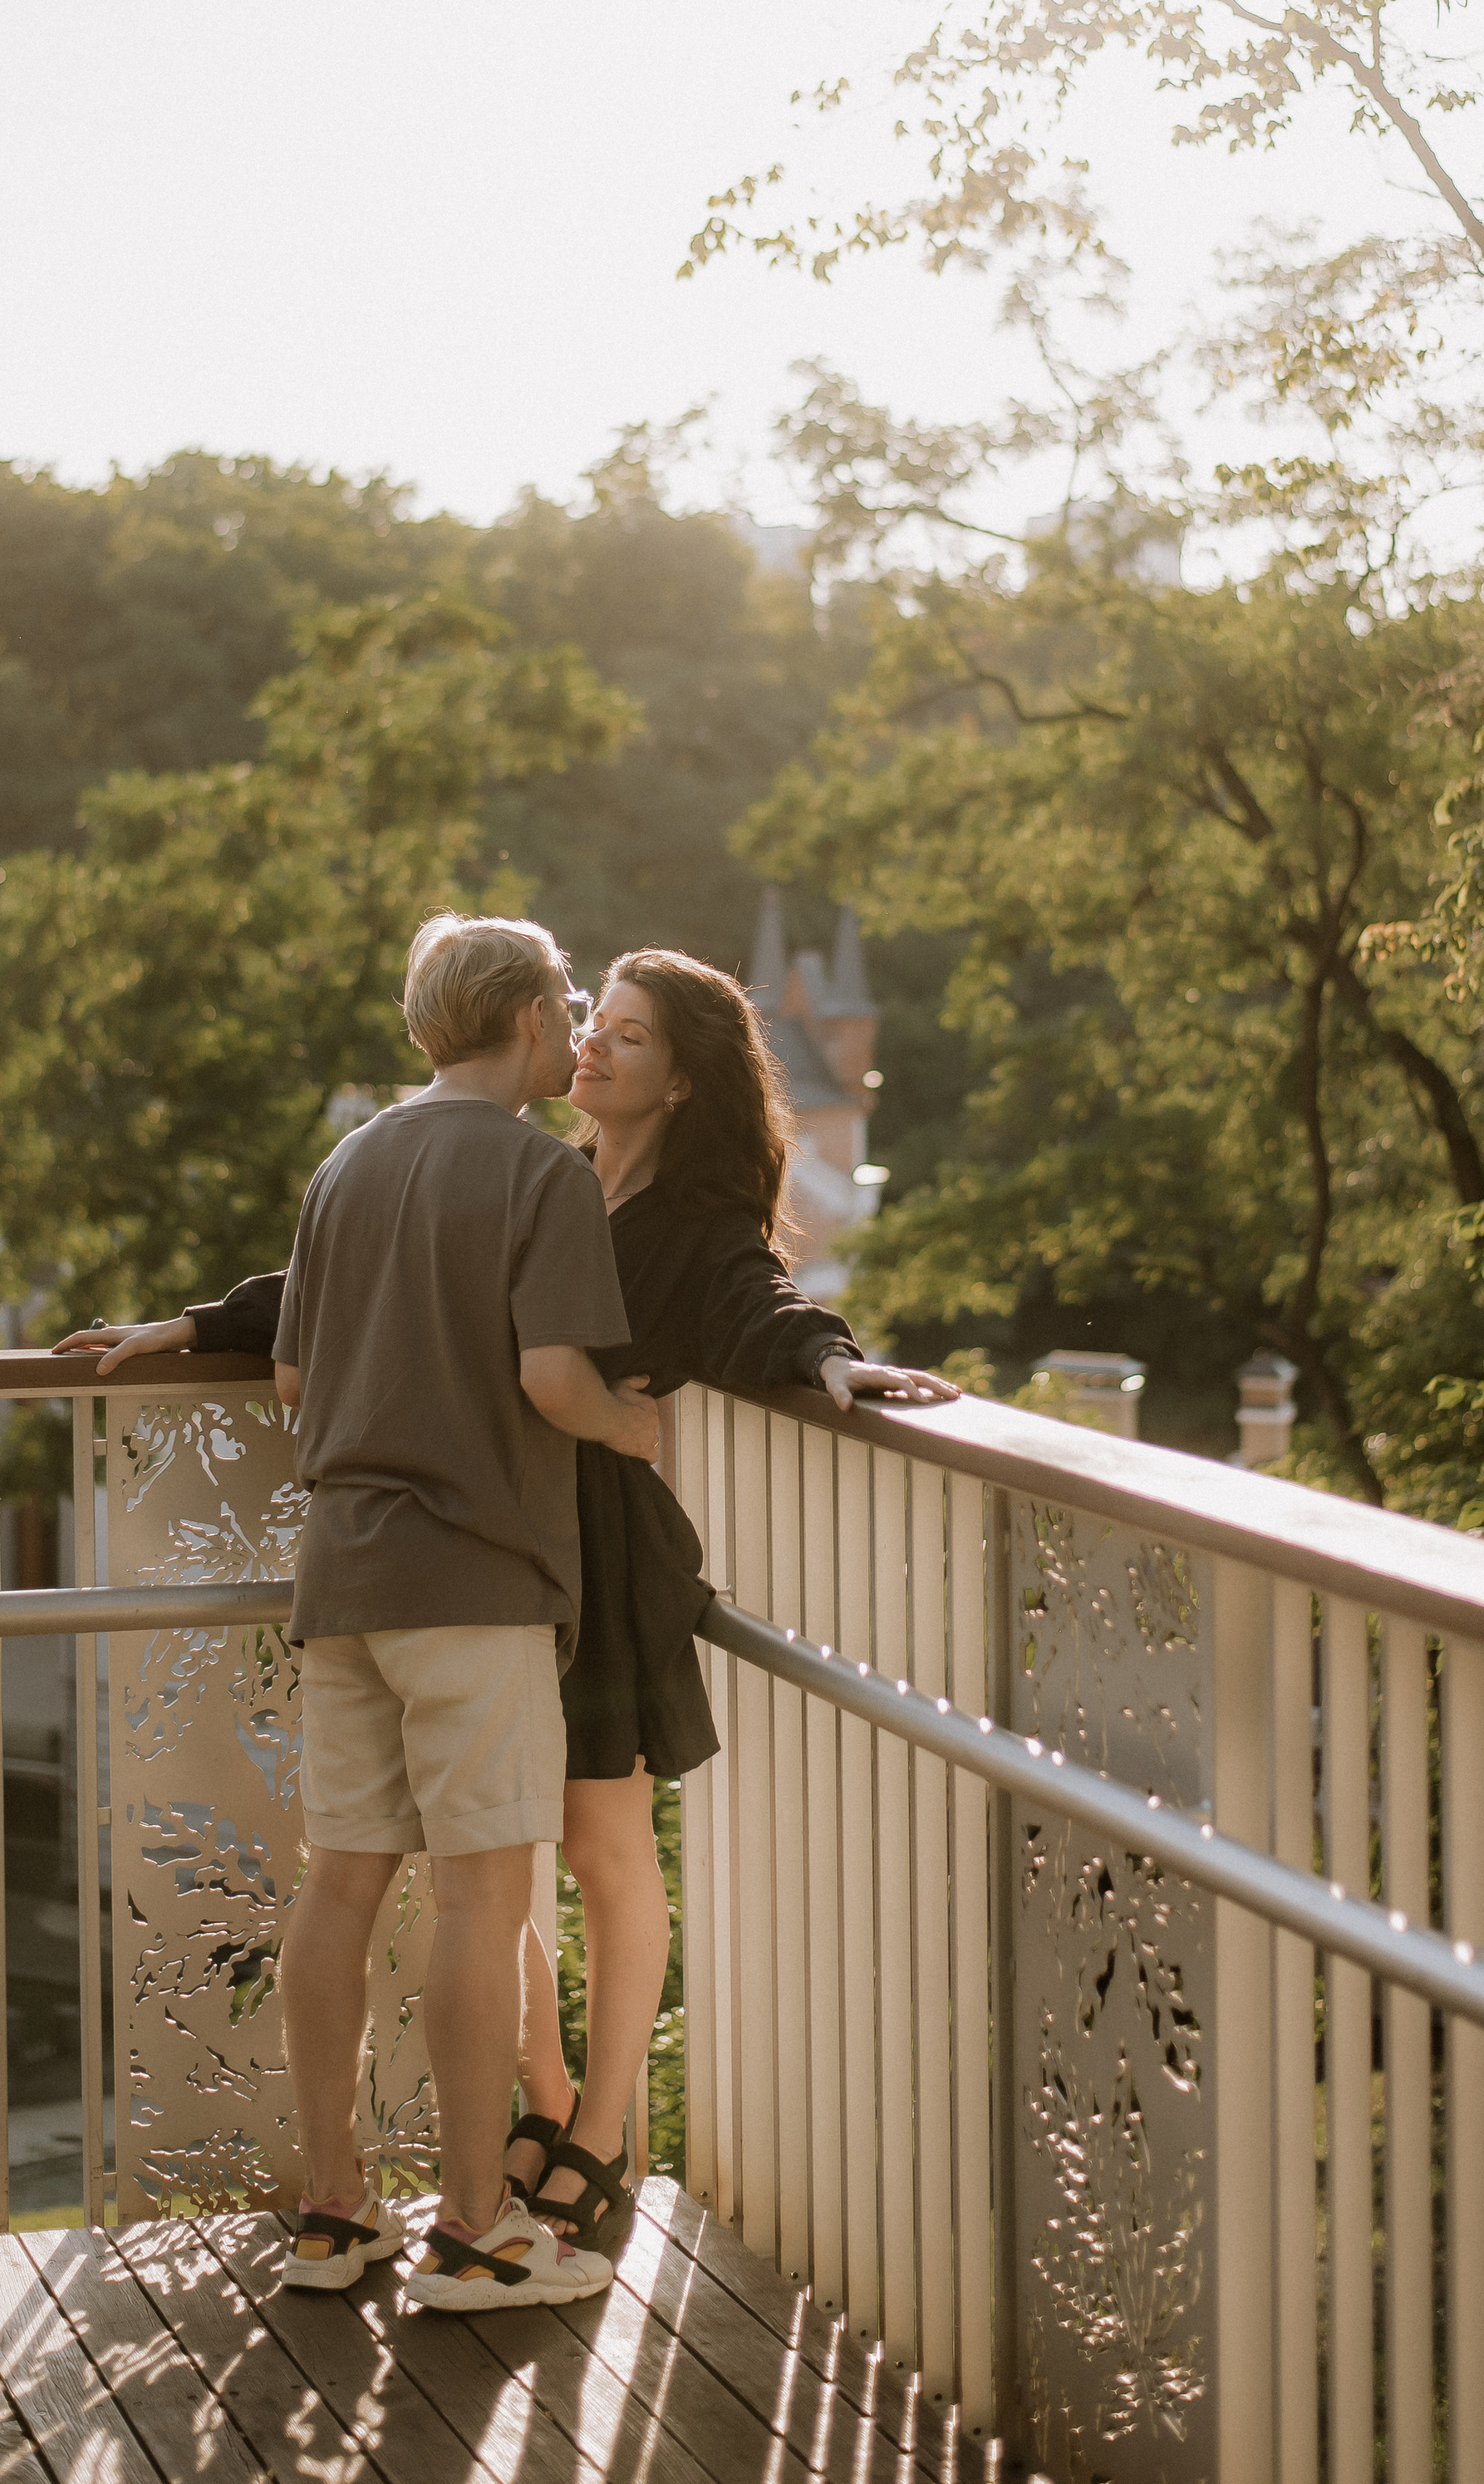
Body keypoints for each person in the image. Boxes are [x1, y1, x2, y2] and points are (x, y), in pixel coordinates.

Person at [61, 943, 956, 2254]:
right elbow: (370, 1289)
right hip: (498, 1541)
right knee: (503, 1876)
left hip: (574, 1545)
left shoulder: (647, 1211)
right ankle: (513, 2146)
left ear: (686, 1082)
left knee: (588, 1850)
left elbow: (756, 1299)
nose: (595, 1043)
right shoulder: (544, 1173)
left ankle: (591, 2127)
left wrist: (832, 1360)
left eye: (632, 1036)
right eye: (594, 1021)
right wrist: (199, 1325)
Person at [232, 908, 657, 2313]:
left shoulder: (346, 1163)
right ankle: (476, 2230)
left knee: (342, 1880)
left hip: (344, 1577)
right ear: (529, 1020)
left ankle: (331, 2212)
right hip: (475, 1586)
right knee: (483, 1895)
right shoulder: (542, 1176)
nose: (579, 1021)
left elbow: (294, 1384)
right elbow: (555, 1378)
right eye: (570, 1000)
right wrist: (642, 1427)